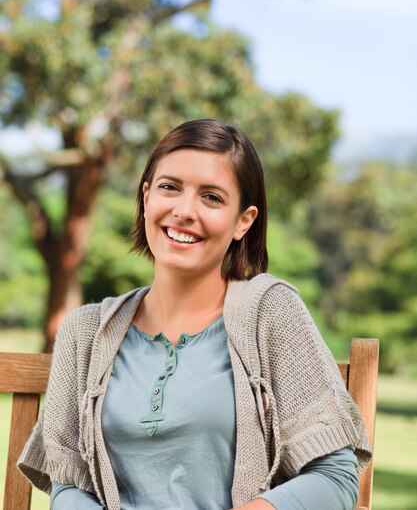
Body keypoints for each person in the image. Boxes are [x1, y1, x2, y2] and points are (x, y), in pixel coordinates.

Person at [18, 118, 372, 510]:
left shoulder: (270, 311)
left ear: (243, 221)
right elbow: (70, 485)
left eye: (212, 197)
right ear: (147, 196)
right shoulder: (85, 333)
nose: (184, 211)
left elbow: (335, 476)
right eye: (170, 188)